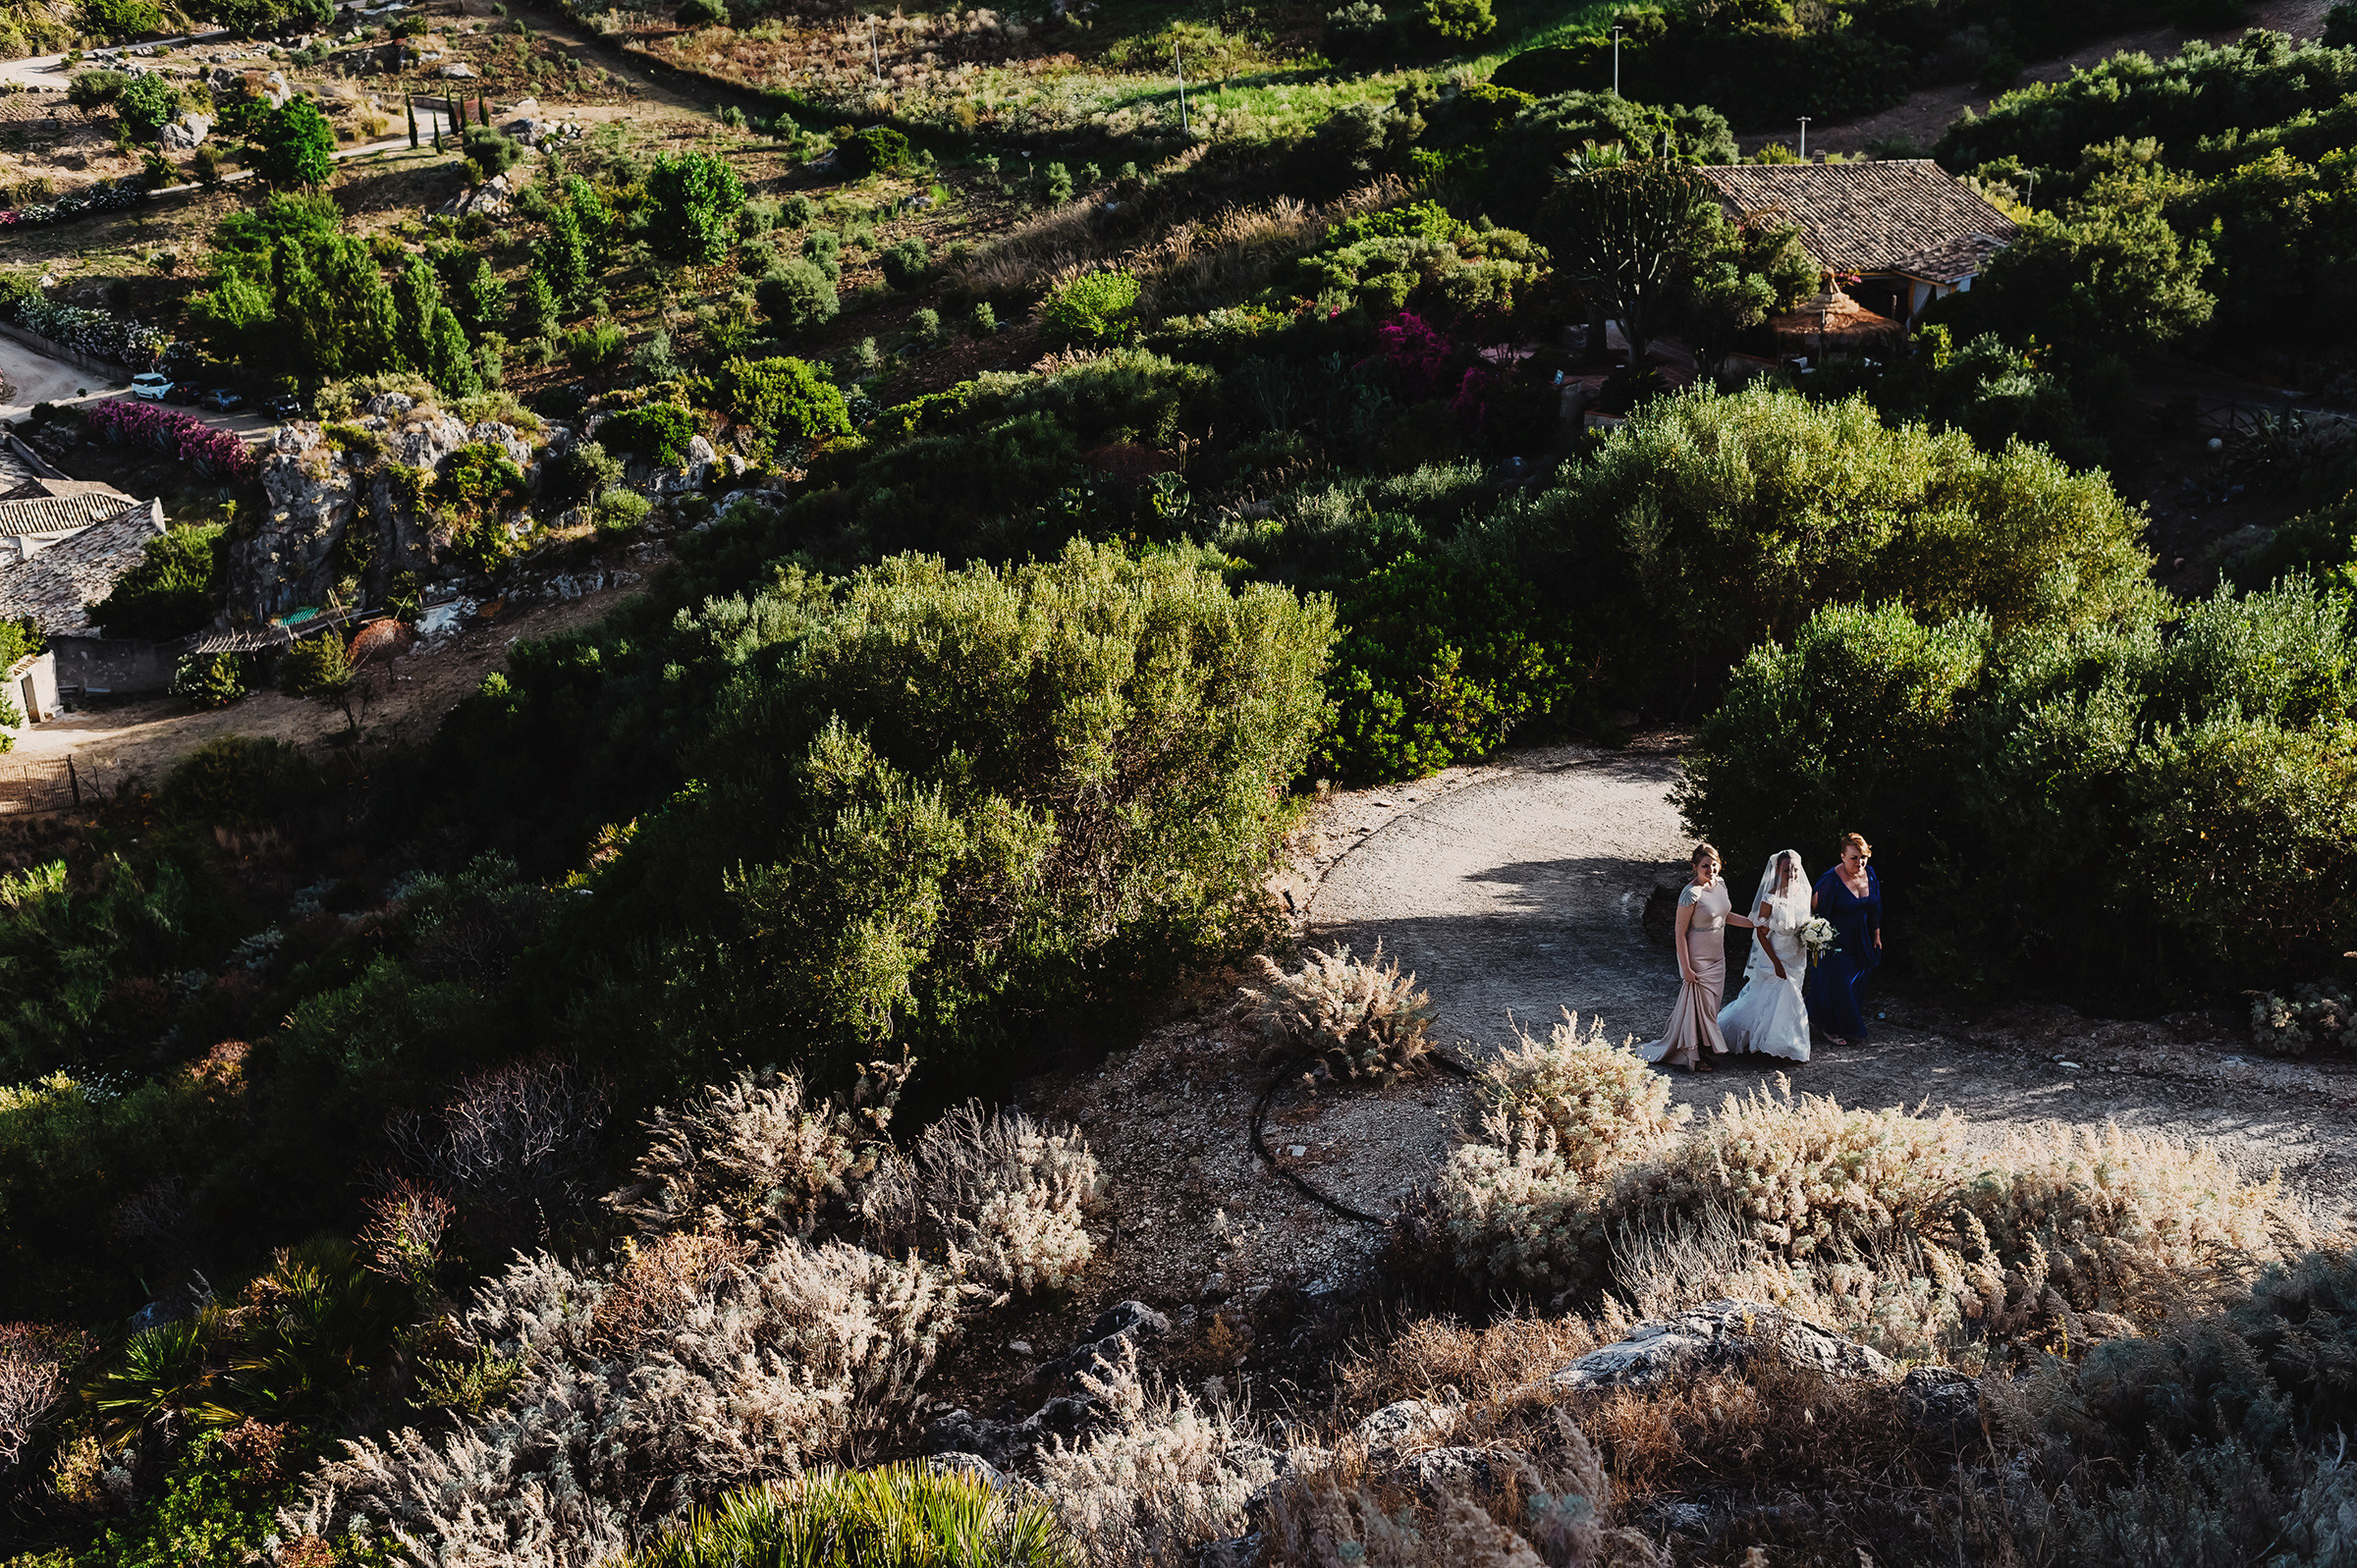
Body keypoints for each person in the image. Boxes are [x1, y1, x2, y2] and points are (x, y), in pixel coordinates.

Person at [1639, 843, 1764, 1072]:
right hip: (1698, 958)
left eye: (1714, 864)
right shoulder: (1691, 893)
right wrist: (1685, 968)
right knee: (1700, 1008)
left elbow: (1725, 916)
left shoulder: (1721, 885)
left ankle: (1703, 1048)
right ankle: (1693, 1055)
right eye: (1705, 865)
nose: (1711, 869)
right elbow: (1679, 932)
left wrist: (1752, 923)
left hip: (1718, 957)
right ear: (1695, 867)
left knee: (1711, 1007)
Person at [1718, 849, 1811, 1062]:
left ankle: (1784, 1041)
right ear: (1778, 870)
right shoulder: (1770, 898)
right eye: (1787, 870)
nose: (1792, 873)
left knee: (1790, 998)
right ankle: (1774, 1043)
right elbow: (1761, 934)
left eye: (1795, 869)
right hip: (1774, 954)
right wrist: (1776, 963)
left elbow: (1806, 923)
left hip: (1796, 955)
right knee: (1771, 996)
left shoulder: (1803, 892)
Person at [1805, 832, 1882, 1046]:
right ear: (1842, 856)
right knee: (1839, 983)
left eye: (1863, 857)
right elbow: (1815, 912)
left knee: (1857, 980)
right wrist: (1817, 939)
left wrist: (1876, 934)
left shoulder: (1870, 874)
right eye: (1854, 858)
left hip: (1861, 937)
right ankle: (1830, 1028)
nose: (1860, 862)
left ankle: (1816, 1009)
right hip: (1835, 940)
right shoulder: (1831, 880)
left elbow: (1875, 906)